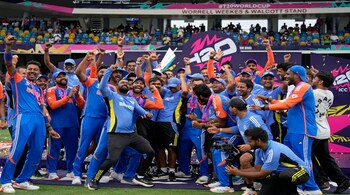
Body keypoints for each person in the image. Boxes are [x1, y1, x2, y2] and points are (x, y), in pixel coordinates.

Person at [1, 35, 59, 193]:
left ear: (39, 73)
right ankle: (5, 182)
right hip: (23, 117)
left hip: (39, 121)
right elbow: (8, 64)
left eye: (35, 70)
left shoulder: (38, 89)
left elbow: (43, 109)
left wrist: (49, 128)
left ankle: (22, 180)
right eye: (30, 70)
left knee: (37, 151)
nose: (32, 72)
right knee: (18, 149)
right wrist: (8, 46)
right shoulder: (18, 79)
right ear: (26, 72)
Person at [253, 65, 322, 194]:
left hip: (303, 130)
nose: (285, 76)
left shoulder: (303, 86)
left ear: (296, 75)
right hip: (293, 130)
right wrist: (269, 99)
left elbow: (287, 104)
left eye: (288, 74)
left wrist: (264, 107)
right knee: (290, 161)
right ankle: (298, 187)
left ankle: (312, 189)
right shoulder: (297, 88)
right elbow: (286, 105)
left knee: (304, 160)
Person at [86, 64, 155, 190]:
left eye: (127, 83)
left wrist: (147, 114)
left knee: (150, 152)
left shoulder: (132, 100)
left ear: (129, 87)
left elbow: (141, 111)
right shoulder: (112, 96)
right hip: (116, 134)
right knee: (112, 159)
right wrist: (109, 71)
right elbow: (101, 86)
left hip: (131, 135)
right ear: (117, 86)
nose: (125, 84)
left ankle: (139, 175)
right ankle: (94, 180)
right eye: (122, 82)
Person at [225, 127, 310, 195]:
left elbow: (261, 174)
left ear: (258, 140)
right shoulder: (258, 150)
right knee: (267, 185)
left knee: (285, 176)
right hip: (280, 175)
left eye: (250, 141)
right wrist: (236, 170)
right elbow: (257, 169)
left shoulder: (273, 151)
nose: (248, 144)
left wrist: (238, 173)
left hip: (301, 171)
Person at [311, 71, 350, 194]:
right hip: (324, 130)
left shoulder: (313, 93)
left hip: (314, 131)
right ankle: (342, 180)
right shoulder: (330, 93)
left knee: (308, 158)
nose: (313, 80)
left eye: (315, 78)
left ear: (321, 81)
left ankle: (320, 181)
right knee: (325, 159)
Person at [46, 71, 84, 180]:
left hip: (72, 123)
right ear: (54, 80)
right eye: (59, 76)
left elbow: (82, 105)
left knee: (72, 148)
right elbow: (52, 105)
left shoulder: (72, 90)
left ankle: (71, 170)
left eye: (64, 76)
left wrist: (76, 96)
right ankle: (52, 171)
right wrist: (68, 97)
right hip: (57, 124)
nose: (63, 78)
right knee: (54, 147)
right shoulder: (51, 90)